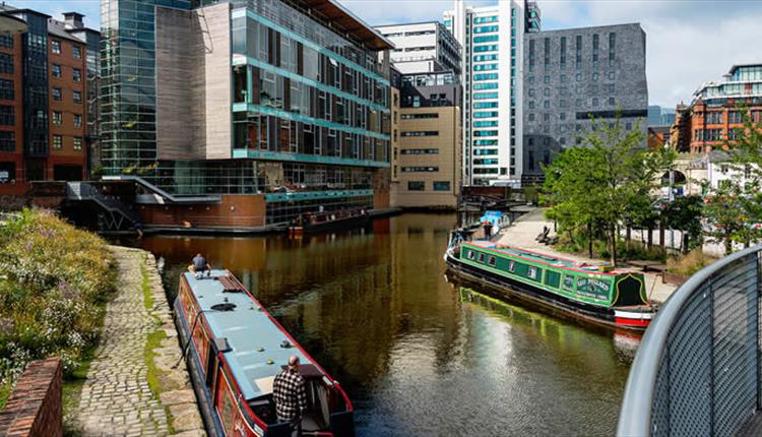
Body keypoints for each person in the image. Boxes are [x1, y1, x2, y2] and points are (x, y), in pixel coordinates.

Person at [273, 355, 307, 436]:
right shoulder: (299, 380)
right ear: (298, 365)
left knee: (282, 433)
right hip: (291, 416)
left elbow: (274, 397)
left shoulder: (278, 375)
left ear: (288, 364)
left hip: (279, 413)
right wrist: (302, 415)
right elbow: (302, 405)